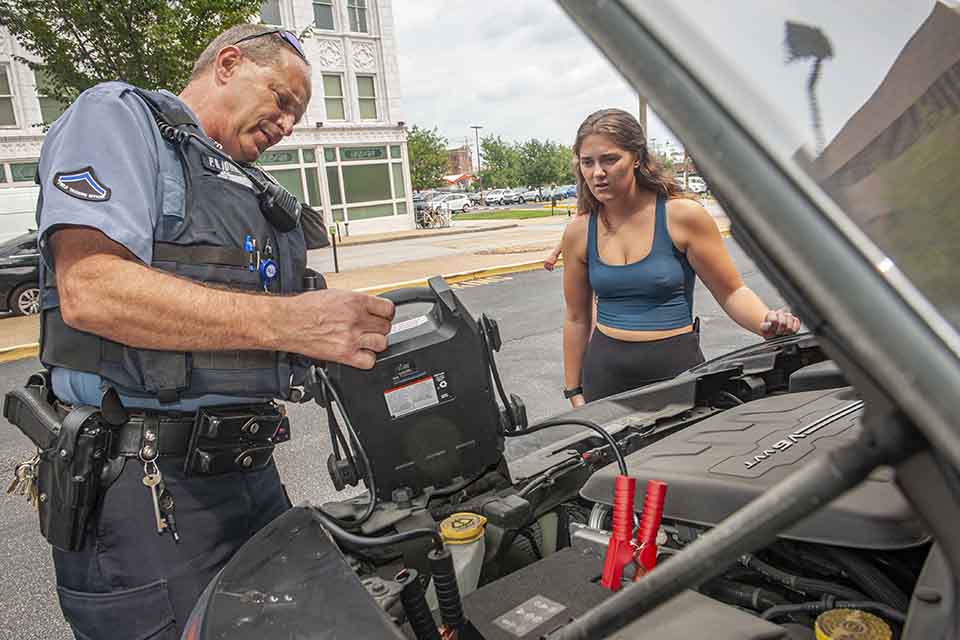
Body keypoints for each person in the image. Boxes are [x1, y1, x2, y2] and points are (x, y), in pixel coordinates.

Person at [28, 25, 395, 639]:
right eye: (283, 100)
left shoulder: (240, 184)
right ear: (228, 63)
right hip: (147, 494)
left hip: (248, 475)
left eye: (299, 116)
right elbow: (90, 289)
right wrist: (292, 322)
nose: (288, 125)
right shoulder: (117, 118)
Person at [561, 109, 799, 407]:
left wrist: (766, 322)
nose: (598, 173)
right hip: (604, 378)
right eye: (588, 162)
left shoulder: (682, 216)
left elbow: (731, 291)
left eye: (610, 159)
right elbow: (575, 318)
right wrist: (574, 391)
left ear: (636, 158)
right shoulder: (579, 231)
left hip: (676, 374)